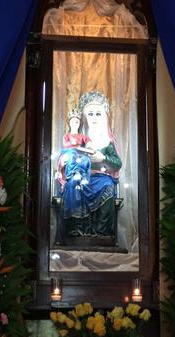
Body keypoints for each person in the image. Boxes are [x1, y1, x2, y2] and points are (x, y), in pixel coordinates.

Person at [58, 91, 122, 239]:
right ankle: (76, 231)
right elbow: (63, 156)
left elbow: (117, 163)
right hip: (80, 176)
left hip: (101, 177)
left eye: (98, 114)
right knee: (73, 185)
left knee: (107, 187)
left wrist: (103, 158)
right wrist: (64, 160)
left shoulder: (107, 142)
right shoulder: (77, 139)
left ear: (104, 117)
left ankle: (101, 233)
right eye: (90, 114)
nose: (93, 118)